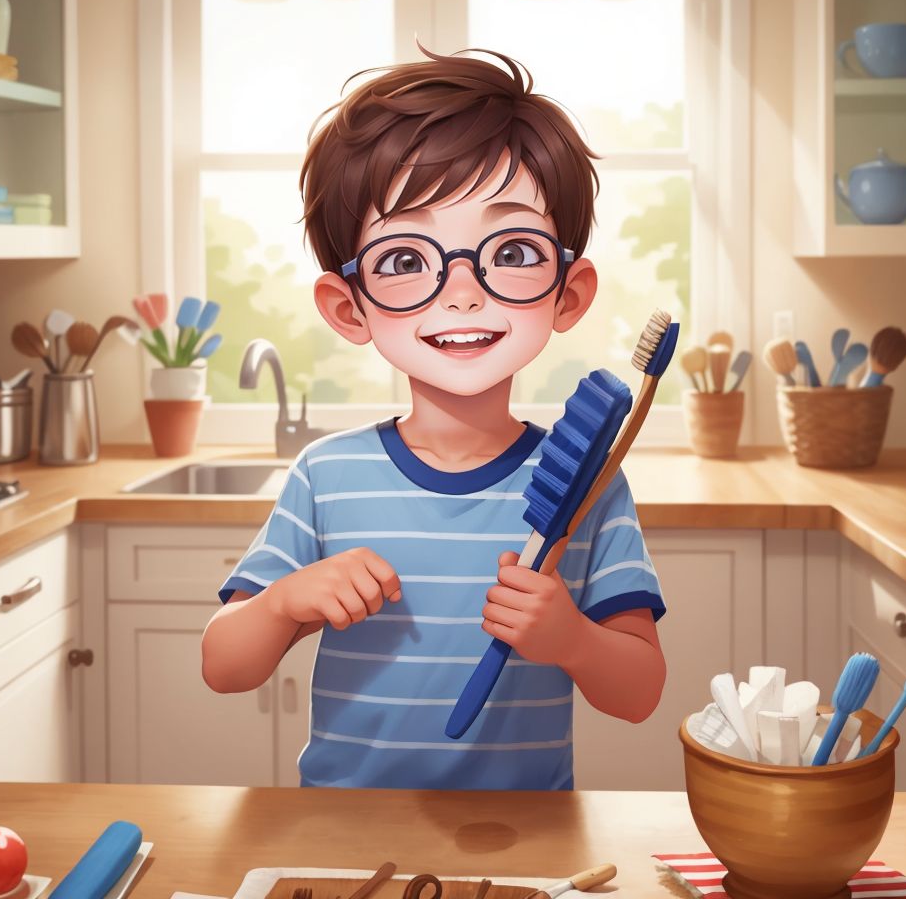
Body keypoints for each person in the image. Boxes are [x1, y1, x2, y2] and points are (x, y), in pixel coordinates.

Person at [202, 43, 667, 789]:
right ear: (347, 308)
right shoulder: (327, 476)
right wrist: (286, 603)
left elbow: (640, 694)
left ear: (569, 293)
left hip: (527, 843)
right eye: (404, 261)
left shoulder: (590, 483)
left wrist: (571, 639)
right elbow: (224, 668)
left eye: (511, 249)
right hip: (343, 834)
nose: (461, 293)